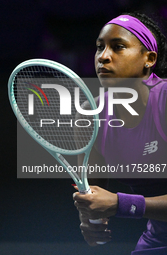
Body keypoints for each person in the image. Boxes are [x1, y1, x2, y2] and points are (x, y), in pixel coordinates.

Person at [72, 12, 167, 254]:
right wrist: (90, 220)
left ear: (149, 58)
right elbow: (91, 193)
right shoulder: (89, 117)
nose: (103, 57)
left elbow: (114, 202)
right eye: (99, 48)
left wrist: (119, 204)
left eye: (118, 47)